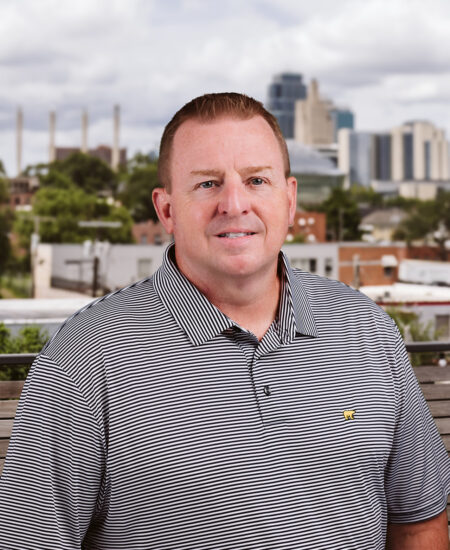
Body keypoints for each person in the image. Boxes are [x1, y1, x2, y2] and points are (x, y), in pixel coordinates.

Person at [0, 93, 449, 550]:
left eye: (256, 180)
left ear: (289, 201)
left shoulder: (366, 330)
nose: (234, 204)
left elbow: (418, 522)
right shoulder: (85, 358)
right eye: (208, 184)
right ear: (167, 210)